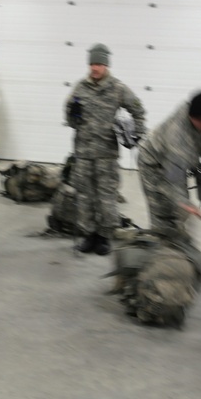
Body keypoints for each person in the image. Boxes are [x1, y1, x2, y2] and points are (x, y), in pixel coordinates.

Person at [64, 43, 145, 255]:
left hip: (106, 156)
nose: (94, 68)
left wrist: (136, 134)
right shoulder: (80, 87)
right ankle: (89, 235)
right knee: (84, 197)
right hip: (83, 154)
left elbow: (138, 110)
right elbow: (70, 118)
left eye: (98, 64)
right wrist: (72, 113)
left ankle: (104, 237)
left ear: (106, 65)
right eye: (92, 63)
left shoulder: (118, 89)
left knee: (106, 198)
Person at [137, 91, 201, 243]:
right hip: (153, 163)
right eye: (199, 121)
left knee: (179, 213)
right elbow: (175, 178)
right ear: (191, 117)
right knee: (164, 213)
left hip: (179, 161)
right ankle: (163, 248)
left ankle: (177, 244)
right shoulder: (177, 135)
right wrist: (185, 203)